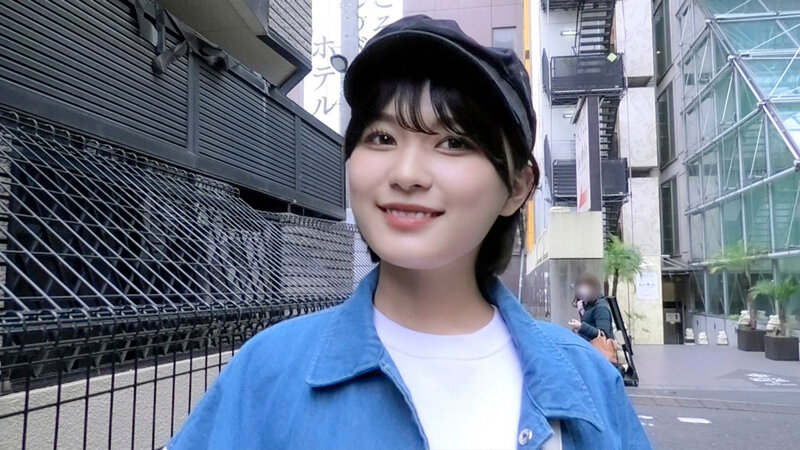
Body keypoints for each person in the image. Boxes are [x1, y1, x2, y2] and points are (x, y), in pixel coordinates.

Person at [167, 15, 650, 450]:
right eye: (382, 138)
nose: (406, 174)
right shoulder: (269, 370)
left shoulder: (587, 380)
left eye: (454, 142)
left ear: (518, 187)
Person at [569, 273, 614, 341]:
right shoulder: (588, 306)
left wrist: (581, 327)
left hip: (597, 347)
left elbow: (604, 334)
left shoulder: (601, 308)